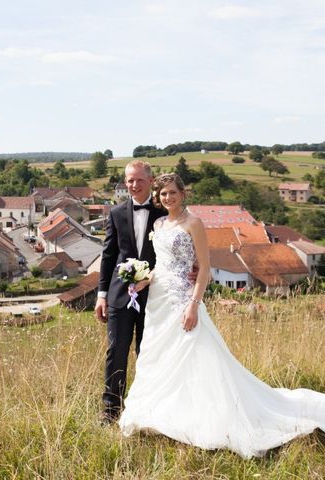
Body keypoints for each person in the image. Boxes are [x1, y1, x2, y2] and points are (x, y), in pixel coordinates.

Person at [118, 173, 325, 458]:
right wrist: (143, 280)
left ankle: (212, 418)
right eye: (163, 194)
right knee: (158, 356)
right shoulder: (159, 223)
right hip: (158, 302)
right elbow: (161, 266)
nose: (168, 198)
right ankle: (167, 415)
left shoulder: (194, 224)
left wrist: (193, 304)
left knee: (195, 355)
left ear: (183, 193)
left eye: (172, 193)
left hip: (182, 300)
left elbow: (204, 268)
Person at [94, 160, 167, 422]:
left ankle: (149, 409)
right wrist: (102, 296)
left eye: (138, 180)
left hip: (156, 296)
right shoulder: (115, 213)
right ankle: (111, 410)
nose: (133, 185)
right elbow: (108, 255)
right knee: (116, 351)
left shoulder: (164, 214)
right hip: (119, 295)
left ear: (150, 180)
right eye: (129, 180)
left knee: (149, 353)